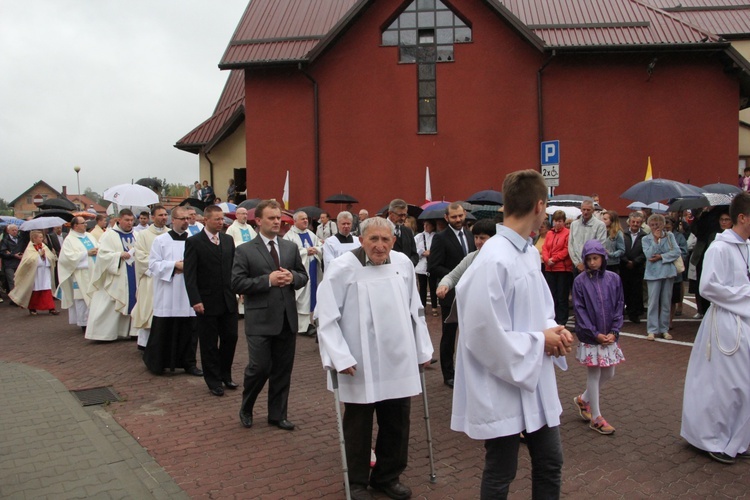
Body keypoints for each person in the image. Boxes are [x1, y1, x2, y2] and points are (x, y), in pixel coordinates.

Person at [452, 169, 574, 499]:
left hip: (533, 375)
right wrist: (540, 341)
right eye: (546, 208)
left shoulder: (530, 253)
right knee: (502, 470)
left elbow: (539, 308)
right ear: (539, 205)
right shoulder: (494, 259)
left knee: (550, 462)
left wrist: (553, 331)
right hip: (502, 381)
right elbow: (481, 333)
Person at [316, 216, 433, 500]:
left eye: (385, 240)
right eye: (373, 239)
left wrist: (422, 349)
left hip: (398, 357)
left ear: (394, 241)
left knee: (397, 420)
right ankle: (356, 482)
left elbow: (415, 309)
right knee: (358, 423)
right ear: (361, 240)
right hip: (360, 360)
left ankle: (387, 476)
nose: (380, 246)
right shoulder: (342, 268)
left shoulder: (403, 264)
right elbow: (327, 316)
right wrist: (340, 357)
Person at [681, 192, 750, 464]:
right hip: (724, 324)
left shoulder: (746, 246)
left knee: (743, 385)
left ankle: (738, 438)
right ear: (742, 217)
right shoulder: (719, 248)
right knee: (723, 385)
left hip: (744, 323)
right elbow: (708, 287)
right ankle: (712, 438)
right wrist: (746, 296)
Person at [232, 200, 308, 430]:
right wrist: (268, 280)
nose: (277, 222)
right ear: (258, 221)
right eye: (271, 218)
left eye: (278, 218)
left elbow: (303, 276)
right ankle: (247, 406)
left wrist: (293, 278)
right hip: (260, 320)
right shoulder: (245, 250)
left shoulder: (289, 247)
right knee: (260, 368)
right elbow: (237, 282)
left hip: (286, 318)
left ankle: (277, 414)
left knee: (283, 370)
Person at [571, 240, 625, 435]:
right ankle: (596, 417)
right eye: (589, 259)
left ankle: (583, 399)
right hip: (592, 336)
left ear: (603, 258)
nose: (593, 262)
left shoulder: (613, 279)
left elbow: (619, 304)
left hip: (609, 334)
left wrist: (614, 331)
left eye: (596, 258)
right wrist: (594, 333)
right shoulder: (580, 282)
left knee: (609, 373)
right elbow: (580, 309)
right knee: (593, 375)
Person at [184, 205, 238, 396]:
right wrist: (195, 299)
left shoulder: (228, 240)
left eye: (222, 219)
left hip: (228, 300)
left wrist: (237, 290)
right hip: (206, 302)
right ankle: (213, 380)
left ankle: (226, 374)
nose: (221, 222)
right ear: (205, 220)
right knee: (209, 343)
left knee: (230, 338)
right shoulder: (194, 242)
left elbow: (233, 268)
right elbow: (189, 275)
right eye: (217, 219)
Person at [143, 206, 202, 376]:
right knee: (165, 330)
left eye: (188, 219)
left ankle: (189, 364)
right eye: (182, 219)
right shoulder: (161, 240)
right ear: (173, 220)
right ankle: (158, 363)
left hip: (188, 292)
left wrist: (190, 267)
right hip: (168, 291)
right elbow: (153, 265)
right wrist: (174, 265)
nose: (186, 222)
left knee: (189, 330)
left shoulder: (195, 240)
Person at [428, 202, 476, 388]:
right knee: (449, 336)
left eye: (460, 216)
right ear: (446, 218)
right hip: (450, 295)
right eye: (454, 217)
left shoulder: (472, 236)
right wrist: (456, 276)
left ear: (464, 214)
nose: (458, 220)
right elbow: (434, 266)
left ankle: (468, 371)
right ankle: (448, 374)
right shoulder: (440, 238)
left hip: (471, 294)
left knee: (469, 334)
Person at [85, 209, 137, 342]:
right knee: (109, 305)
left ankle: (130, 331)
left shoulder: (136, 234)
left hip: (133, 274)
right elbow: (102, 255)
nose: (129, 223)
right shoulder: (109, 235)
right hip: (116, 275)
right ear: (119, 220)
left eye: (131, 220)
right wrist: (118, 255)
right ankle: (103, 334)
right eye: (126, 220)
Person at [129, 206, 169, 350]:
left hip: (167, 278)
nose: (164, 217)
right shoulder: (143, 235)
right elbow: (140, 257)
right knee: (148, 309)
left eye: (165, 215)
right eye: (160, 215)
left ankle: (164, 342)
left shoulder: (171, 234)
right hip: (150, 278)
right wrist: (162, 265)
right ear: (153, 217)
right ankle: (145, 343)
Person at [642, 214, 681, 341]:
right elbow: (649, 255)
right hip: (653, 274)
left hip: (668, 272)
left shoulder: (670, 236)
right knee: (653, 302)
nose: (655, 227)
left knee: (666, 302)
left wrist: (662, 257)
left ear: (662, 224)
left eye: (657, 224)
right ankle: (652, 330)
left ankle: (664, 329)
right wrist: (655, 240)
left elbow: (676, 252)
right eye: (652, 225)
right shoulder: (646, 239)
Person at [56, 216, 99, 332]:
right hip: (80, 273)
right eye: (83, 223)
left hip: (93, 272)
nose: (85, 225)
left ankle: (93, 321)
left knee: (94, 297)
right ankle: (83, 323)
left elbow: (98, 247)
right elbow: (66, 258)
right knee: (81, 298)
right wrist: (86, 253)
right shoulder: (69, 240)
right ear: (75, 226)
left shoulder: (89, 236)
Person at [435, 218, 497, 298]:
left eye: (482, 238)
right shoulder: (472, 257)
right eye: (476, 237)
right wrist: (443, 285)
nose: (478, 242)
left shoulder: (502, 258)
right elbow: (452, 276)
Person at [284, 210, 322, 336]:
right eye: (302, 219)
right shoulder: (289, 236)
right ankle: (302, 327)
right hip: (300, 271)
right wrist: (306, 251)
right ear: (295, 221)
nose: (306, 221)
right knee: (302, 298)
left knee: (312, 297)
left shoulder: (310, 234)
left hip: (312, 268)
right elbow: (288, 253)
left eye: (306, 218)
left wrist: (315, 249)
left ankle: (310, 323)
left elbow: (319, 246)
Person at [9, 230, 59, 315]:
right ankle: (32, 308)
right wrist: (39, 255)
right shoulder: (30, 248)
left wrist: (45, 256)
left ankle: (51, 308)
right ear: (34, 238)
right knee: (35, 289)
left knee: (47, 288)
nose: (42, 239)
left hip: (44, 271)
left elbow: (50, 257)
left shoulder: (44, 246)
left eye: (42, 237)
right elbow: (28, 261)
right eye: (40, 237)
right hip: (35, 273)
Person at [543, 210, 574, 326]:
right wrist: (547, 259)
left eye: (560, 221)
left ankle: (562, 320)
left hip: (562, 269)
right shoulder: (549, 233)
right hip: (549, 268)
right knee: (552, 295)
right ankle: (553, 319)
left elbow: (566, 250)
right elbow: (545, 248)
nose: (557, 224)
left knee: (562, 296)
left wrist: (554, 259)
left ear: (564, 221)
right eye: (556, 221)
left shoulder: (567, 233)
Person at [620, 212, 647, 323]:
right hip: (624, 266)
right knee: (623, 290)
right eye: (633, 222)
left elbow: (645, 252)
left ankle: (634, 314)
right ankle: (621, 312)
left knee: (636, 292)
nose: (635, 224)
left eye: (638, 222)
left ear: (641, 223)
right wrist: (626, 260)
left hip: (637, 268)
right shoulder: (622, 234)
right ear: (629, 222)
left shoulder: (645, 236)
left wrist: (635, 262)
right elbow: (620, 248)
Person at [568, 199, 607, 274]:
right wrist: (577, 263)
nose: (585, 212)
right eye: (584, 209)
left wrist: (587, 263)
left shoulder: (600, 225)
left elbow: (600, 246)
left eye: (588, 210)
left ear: (593, 210)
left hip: (592, 265)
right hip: (576, 265)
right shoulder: (574, 224)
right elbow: (570, 244)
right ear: (581, 210)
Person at [665, 217, 688, 330]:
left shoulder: (679, 237)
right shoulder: (658, 236)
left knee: (673, 299)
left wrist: (672, 258)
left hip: (674, 271)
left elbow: (683, 251)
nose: (666, 225)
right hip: (662, 271)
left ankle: (669, 321)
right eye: (664, 223)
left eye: (668, 223)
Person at [415, 219, 438, 316]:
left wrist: (431, 253)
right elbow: (414, 249)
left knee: (433, 287)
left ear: (432, 226)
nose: (425, 227)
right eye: (424, 225)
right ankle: (423, 306)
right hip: (421, 266)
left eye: (428, 225)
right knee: (422, 287)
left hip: (432, 265)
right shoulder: (419, 237)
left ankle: (434, 307)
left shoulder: (436, 236)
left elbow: (439, 249)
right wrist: (422, 253)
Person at [387, 199, 419, 266]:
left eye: (405, 215)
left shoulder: (407, 231)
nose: (403, 218)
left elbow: (414, 254)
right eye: (400, 215)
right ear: (390, 213)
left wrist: (409, 265)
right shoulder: (380, 229)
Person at [0, 224, 22, 304]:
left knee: (19, 281)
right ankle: (14, 299)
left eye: (16, 230)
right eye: (13, 230)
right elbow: (2, 252)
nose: (15, 232)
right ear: (8, 231)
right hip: (9, 264)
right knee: (12, 281)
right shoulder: (5, 240)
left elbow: (23, 248)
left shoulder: (20, 239)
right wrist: (13, 255)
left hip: (19, 263)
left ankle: (20, 298)